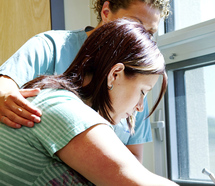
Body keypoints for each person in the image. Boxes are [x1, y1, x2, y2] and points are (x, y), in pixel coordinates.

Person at [0, 19, 177, 186]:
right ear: (115, 74)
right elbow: (140, 181)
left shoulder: (60, 101)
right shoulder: (66, 110)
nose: (140, 106)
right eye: (142, 92)